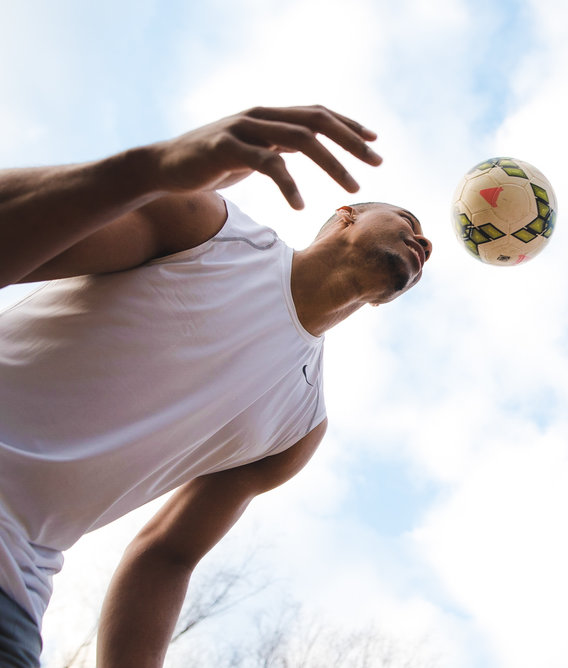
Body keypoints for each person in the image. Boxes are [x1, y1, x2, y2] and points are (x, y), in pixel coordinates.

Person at [0, 105, 433, 668]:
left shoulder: (299, 425)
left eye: (424, 243)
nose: (424, 243)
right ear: (345, 216)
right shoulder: (207, 231)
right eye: (408, 221)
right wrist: (146, 170)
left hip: (16, 593)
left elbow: (168, 556)